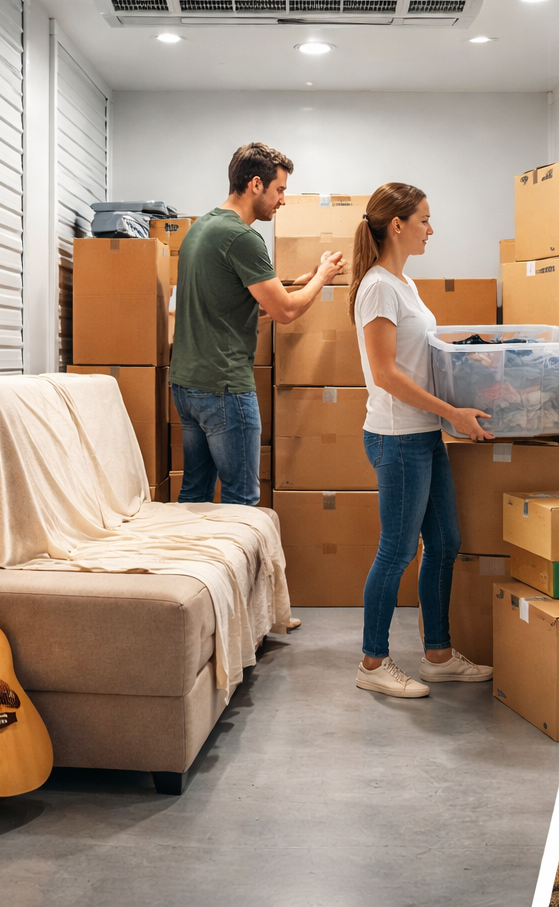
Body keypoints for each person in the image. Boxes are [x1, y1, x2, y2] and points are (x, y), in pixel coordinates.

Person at [348, 183, 495, 698]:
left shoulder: (402, 284)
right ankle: (372, 662)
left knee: (446, 541)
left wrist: (478, 353)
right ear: (398, 225)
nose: (431, 229)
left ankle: (436, 654)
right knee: (396, 551)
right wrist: (453, 411)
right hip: (398, 437)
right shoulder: (378, 288)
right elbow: (387, 373)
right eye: (425, 220)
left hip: (424, 434)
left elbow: (420, 350)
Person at [171, 142, 343, 506]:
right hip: (224, 387)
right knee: (241, 498)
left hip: (187, 385)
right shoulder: (242, 237)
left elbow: (240, 303)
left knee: (194, 495)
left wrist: (306, 278)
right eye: (280, 189)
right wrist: (323, 278)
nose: (282, 200)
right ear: (255, 185)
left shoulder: (200, 229)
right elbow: (284, 312)